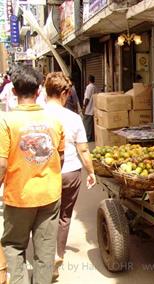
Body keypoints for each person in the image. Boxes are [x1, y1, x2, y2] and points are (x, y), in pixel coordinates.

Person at [0, 65, 65, 284]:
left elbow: (1, 165)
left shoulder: (6, 122)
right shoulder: (54, 121)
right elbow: (61, 156)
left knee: (14, 246)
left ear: (14, 91)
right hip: (49, 195)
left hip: (19, 197)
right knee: (45, 251)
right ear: (39, 91)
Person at [44, 72, 96, 279]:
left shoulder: (38, 114)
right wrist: (91, 172)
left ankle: (45, 258)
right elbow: (84, 150)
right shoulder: (74, 118)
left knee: (45, 217)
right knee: (64, 217)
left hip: (44, 173)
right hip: (70, 173)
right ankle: (58, 253)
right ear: (65, 93)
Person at [82, 75, 97, 141]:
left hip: (88, 109)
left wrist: (84, 107)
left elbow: (87, 98)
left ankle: (87, 138)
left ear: (88, 80)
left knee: (86, 124)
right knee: (91, 125)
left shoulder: (89, 87)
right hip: (93, 109)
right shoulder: (95, 87)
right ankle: (91, 137)